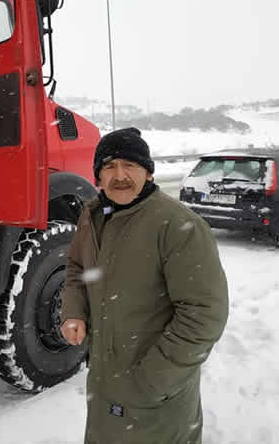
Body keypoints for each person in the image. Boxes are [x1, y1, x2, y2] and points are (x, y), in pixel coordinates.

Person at [60, 127, 228, 444]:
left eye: (130, 165)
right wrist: (74, 312)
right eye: (109, 166)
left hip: (158, 397)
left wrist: (151, 382)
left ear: (148, 173)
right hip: (104, 384)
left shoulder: (178, 225)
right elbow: (77, 268)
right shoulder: (93, 216)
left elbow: (205, 314)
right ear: (98, 175)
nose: (119, 175)